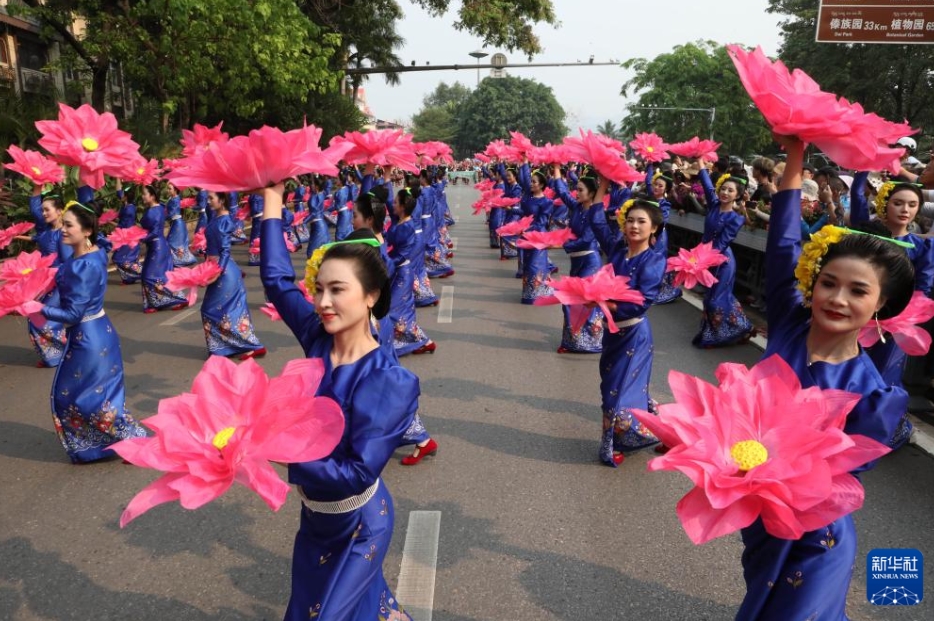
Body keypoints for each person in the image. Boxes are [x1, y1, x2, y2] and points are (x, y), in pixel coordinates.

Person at [737, 134, 914, 620]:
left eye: (858, 291)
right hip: (761, 521)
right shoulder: (789, 323)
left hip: (820, 534)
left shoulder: (874, 394)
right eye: (828, 283)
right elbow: (784, 242)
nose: (837, 298)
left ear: (880, 306)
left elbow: (841, 478)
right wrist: (795, 154)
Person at [259, 184, 417, 620]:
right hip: (316, 519)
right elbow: (274, 279)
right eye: (319, 289)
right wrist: (272, 197)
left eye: (338, 290)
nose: (324, 302)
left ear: (370, 296)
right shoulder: (316, 337)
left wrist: (268, 447)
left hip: (359, 524)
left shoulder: (389, 380)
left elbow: (356, 472)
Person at [34, 201, 147, 463]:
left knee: (73, 396)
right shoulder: (94, 253)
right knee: (93, 396)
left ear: (86, 231)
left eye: (68, 225)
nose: (62, 230)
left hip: (89, 337)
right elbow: (104, 245)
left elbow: (73, 314)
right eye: (63, 224)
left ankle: (126, 441)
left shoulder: (82, 265)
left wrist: (40, 308)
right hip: (96, 331)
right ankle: (117, 442)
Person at [599, 196, 666, 466]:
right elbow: (596, 224)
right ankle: (662, 426)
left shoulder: (654, 260)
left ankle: (611, 444)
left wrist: (606, 303)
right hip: (611, 332)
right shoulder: (618, 252)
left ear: (654, 229)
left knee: (616, 390)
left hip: (634, 335)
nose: (634, 226)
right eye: (630, 221)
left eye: (641, 221)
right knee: (612, 385)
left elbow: (642, 303)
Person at [692, 160, 756, 347]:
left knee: (715, 300)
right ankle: (743, 327)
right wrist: (700, 161)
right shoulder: (713, 205)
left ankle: (728, 331)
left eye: (730, 191)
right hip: (705, 257)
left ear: (737, 195)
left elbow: (722, 242)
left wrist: (703, 259)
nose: (725, 193)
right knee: (712, 297)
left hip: (722, 262)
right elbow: (706, 183)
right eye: (724, 189)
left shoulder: (736, 218)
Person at [552, 165, 610, 353]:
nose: (576, 193)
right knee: (571, 301)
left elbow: (586, 240)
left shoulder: (595, 213)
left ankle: (590, 340)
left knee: (581, 300)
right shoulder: (576, 207)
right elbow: (561, 191)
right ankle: (573, 341)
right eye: (576, 189)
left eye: (580, 190)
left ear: (592, 193)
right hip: (575, 262)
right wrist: (556, 166)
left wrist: (559, 245)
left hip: (589, 262)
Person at [201, 191, 266, 360]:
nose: (208, 202)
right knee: (214, 310)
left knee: (215, 310)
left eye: (211, 198)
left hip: (223, 271)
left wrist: (217, 272)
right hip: (216, 267)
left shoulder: (224, 221)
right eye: (208, 198)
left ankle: (250, 346)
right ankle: (223, 348)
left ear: (222, 200)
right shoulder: (216, 218)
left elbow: (225, 250)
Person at [22, 186, 70, 368]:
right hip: (42, 280)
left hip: (58, 281)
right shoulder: (44, 231)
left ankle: (64, 351)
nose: (43, 213)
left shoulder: (62, 234)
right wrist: (36, 186)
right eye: (42, 210)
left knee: (45, 314)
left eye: (47, 209)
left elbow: (67, 262)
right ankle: (52, 354)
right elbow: (34, 210)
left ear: (59, 211)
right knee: (34, 314)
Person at [138, 184, 189, 313]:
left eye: (145, 194)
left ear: (153, 196)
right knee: (155, 275)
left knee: (149, 275)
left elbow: (154, 231)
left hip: (157, 246)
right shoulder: (159, 208)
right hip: (156, 245)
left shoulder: (154, 210)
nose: (142, 196)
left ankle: (178, 298)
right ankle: (155, 303)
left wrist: (140, 238)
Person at [516, 163, 555, 303]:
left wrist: (527, 228)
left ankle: (538, 293)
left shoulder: (546, 202)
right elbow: (523, 213)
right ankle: (529, 293)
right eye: (531, 181)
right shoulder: (528, 198)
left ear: (541, 184)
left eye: (534, 182)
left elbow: (542, 222)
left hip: (538, 236)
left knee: (535, 264)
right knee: (527, 264)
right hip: (526, 236)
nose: (531, 184)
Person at [111, 181, 143, 284]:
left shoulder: (129, 210)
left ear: (126, 197)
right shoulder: (127, 205)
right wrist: (118, 176)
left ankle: (141, 273)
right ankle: (129, 278)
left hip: (128, 236)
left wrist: (108, 221)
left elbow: (122, 226)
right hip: (125, 235)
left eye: (123, 195)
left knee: (119, 258)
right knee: (125, 258)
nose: (121, 196)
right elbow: (119, 191)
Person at [164, 182, 197, 267]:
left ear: (175, 190)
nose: (168, 190)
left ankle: (178, 260)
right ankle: (177, 259)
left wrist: (162, 216)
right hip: (176, 223)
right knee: (174, 242)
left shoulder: (175, 199)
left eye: (170, 189)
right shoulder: (172, 198)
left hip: (177, 224)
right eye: (167, 188)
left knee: (172, 242)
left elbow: (172, 213)